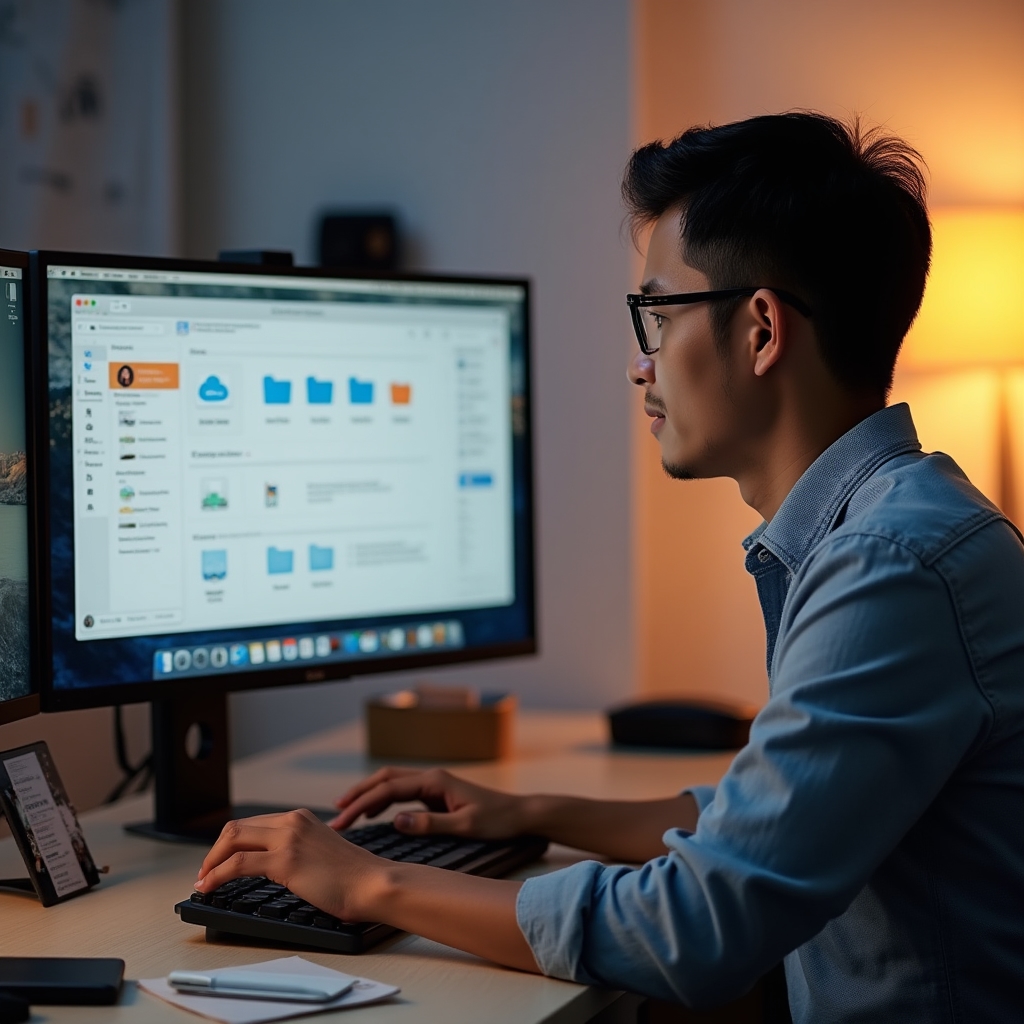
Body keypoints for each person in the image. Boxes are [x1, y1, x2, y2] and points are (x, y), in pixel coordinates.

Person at [195, 113, 1024, 1022]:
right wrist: (533, 814)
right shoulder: (891, 527)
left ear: (760, 331)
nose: (640, 365)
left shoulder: (889, 566)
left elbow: (699, 925)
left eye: (657, 318)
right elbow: (776, 818)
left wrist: (368, 884)